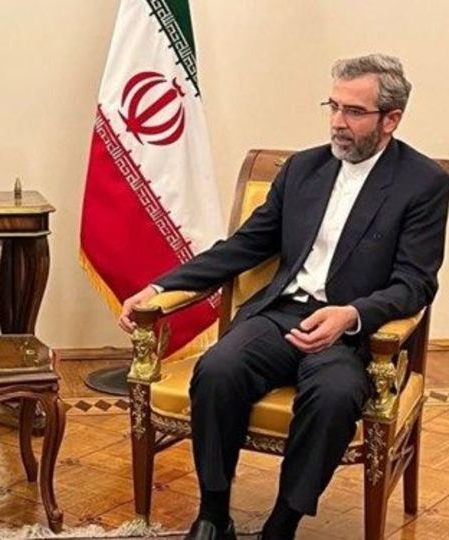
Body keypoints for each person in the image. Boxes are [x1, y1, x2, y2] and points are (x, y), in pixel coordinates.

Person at [119, 54, 449, 540]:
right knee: (218, 369)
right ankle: (214, 514)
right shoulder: (303, 169)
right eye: (333, 106)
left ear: (391, 119)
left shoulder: (422, 183)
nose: (337, 122)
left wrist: (351, 315)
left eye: (354, 112)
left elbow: (415, 283)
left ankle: (282, 524)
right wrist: (161, 286)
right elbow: (244, 246)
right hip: (281, 316)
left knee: (333, 397)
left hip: (352, 332)